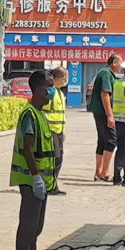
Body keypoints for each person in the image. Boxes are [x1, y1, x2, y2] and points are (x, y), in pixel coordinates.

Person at [14, 70, 58, 250]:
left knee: (36, 226)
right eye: (49, 86)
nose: (52, 90)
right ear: (38, 89)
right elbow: (27, 148)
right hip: (32, 181)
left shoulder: (40, 114)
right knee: (28, 226)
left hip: (42, 182)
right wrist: (36, 177)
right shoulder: (29, 114)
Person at [87, 53, 119, 181]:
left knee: (102, 141)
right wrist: (110, 115)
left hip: (99, 113)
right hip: (103, 113)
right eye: (120, 63)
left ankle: (98, 172)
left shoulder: (105, 73)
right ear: (114, 63)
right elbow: (105, 94)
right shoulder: (106, 74)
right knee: (112, 140)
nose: (121, 67)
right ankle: (105, 173)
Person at [41, 66, 69, 195]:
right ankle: (49, 185)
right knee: (54, 158)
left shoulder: (59, 93)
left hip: (58, 131)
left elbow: (61, 114)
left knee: (59, 158)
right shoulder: (50, 92)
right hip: (49, 130)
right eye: (65, 77)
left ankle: (52, 184)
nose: (66, 80)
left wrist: (63, 130)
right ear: (62, 78)